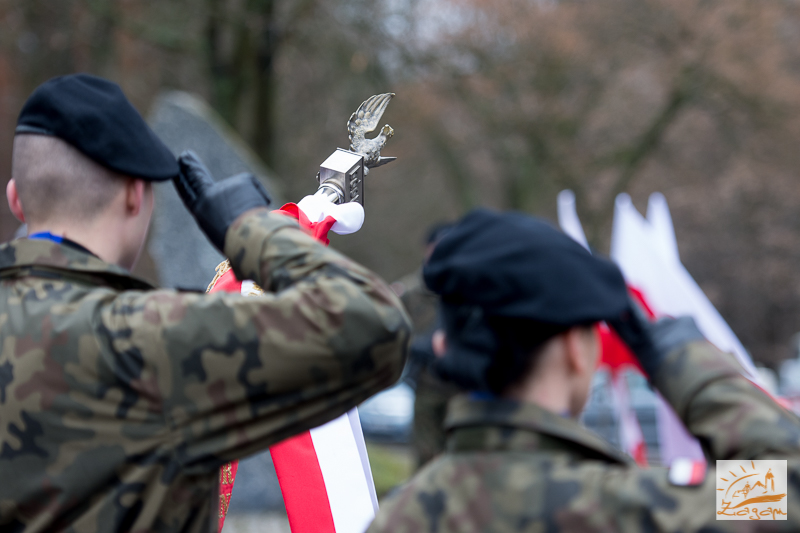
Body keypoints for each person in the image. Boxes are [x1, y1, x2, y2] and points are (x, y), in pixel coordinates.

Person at [0, 74, 410, 532]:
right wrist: (254, 232)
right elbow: (376, 327)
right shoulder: (158, 341)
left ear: (16, 199)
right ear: (136, 196)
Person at [368, 208, 800, 532]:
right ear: (576, 349)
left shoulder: (400, 515)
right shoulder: (631, 507)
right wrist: (689, 365)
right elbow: (786, 488)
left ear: (444, 345)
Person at [392, 223, 460, 469]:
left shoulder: (466, 288)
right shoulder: (410, 292)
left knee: (459, 459)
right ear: (427, 249)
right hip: (426, 385)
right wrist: (419, 346)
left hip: (462, 387)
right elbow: (390, 333)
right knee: (425, 458)